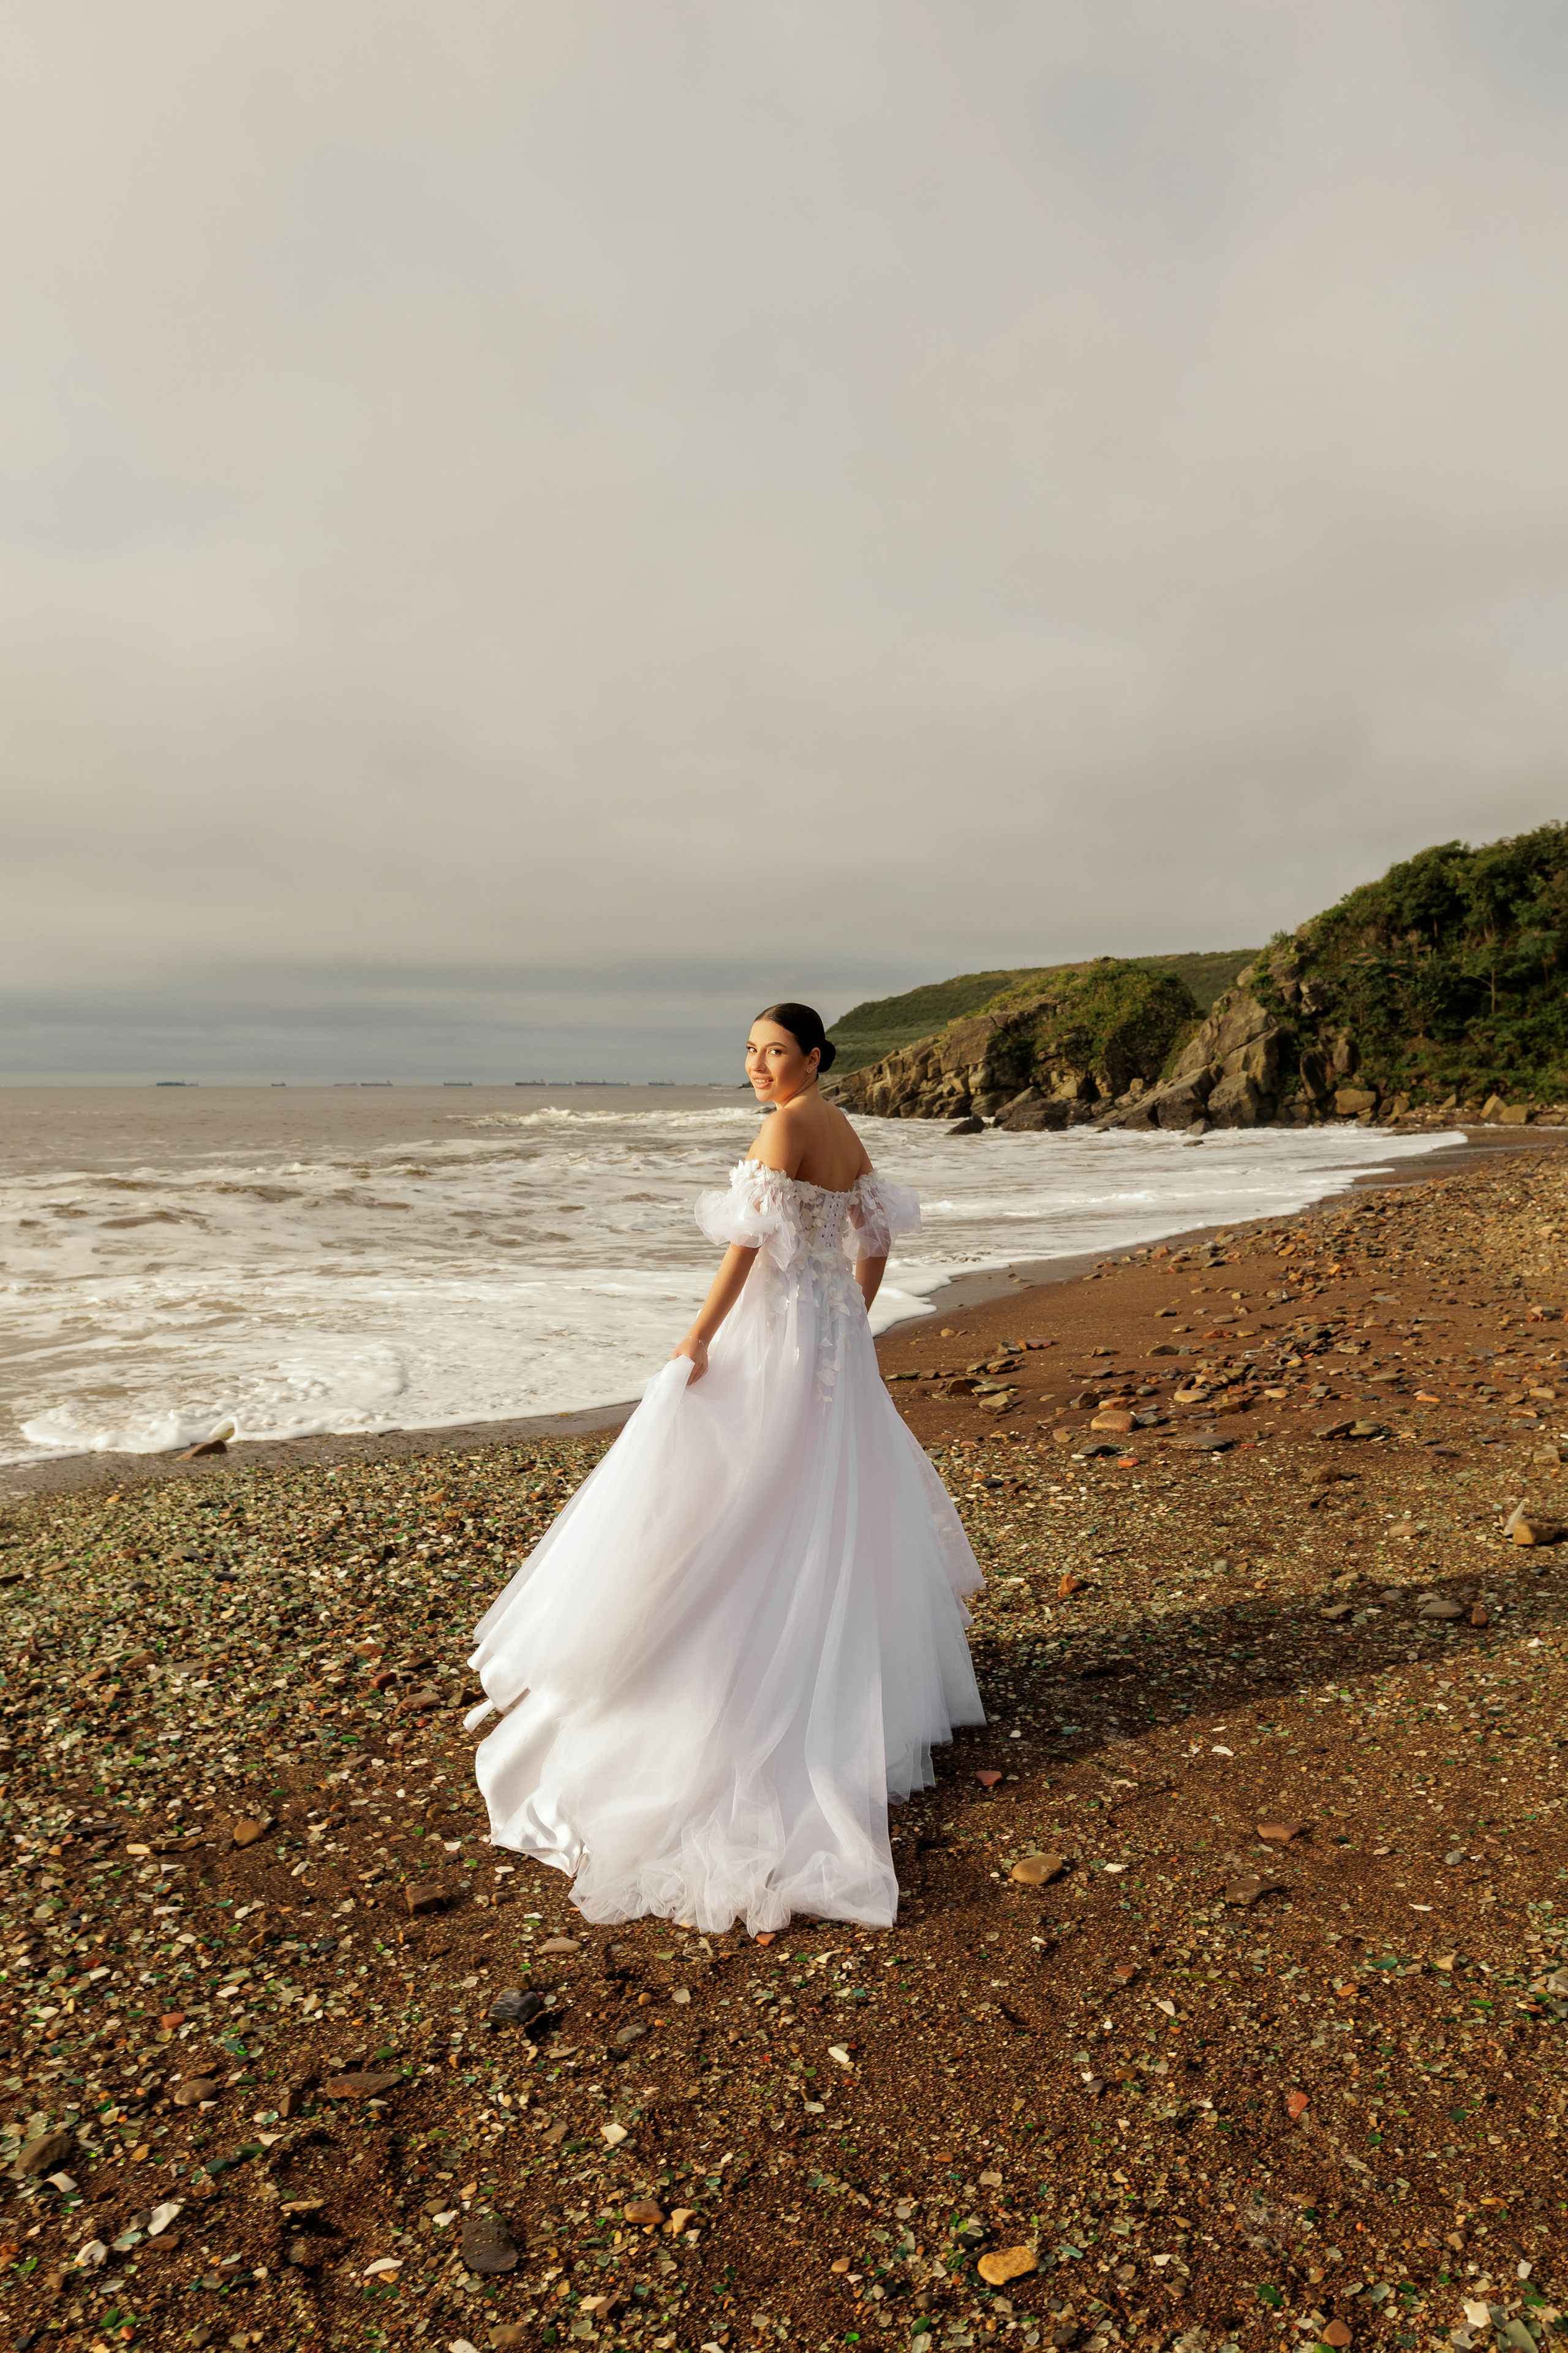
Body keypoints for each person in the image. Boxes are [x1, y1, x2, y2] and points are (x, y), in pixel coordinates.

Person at [466, 1002, 985, 1933]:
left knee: (741, 1497)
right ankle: (835, 1681)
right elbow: (877, 1239)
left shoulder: (787, 1124)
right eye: (749, 1052)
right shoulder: (838, 1123)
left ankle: (724, 1681)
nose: (759, 1066)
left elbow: (747, 1246)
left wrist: (699, 1337)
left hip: (779, 1337)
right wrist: (851, 1317)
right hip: (833, 1343)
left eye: (775, 1051)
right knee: (824, 1503)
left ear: (813, 1056)